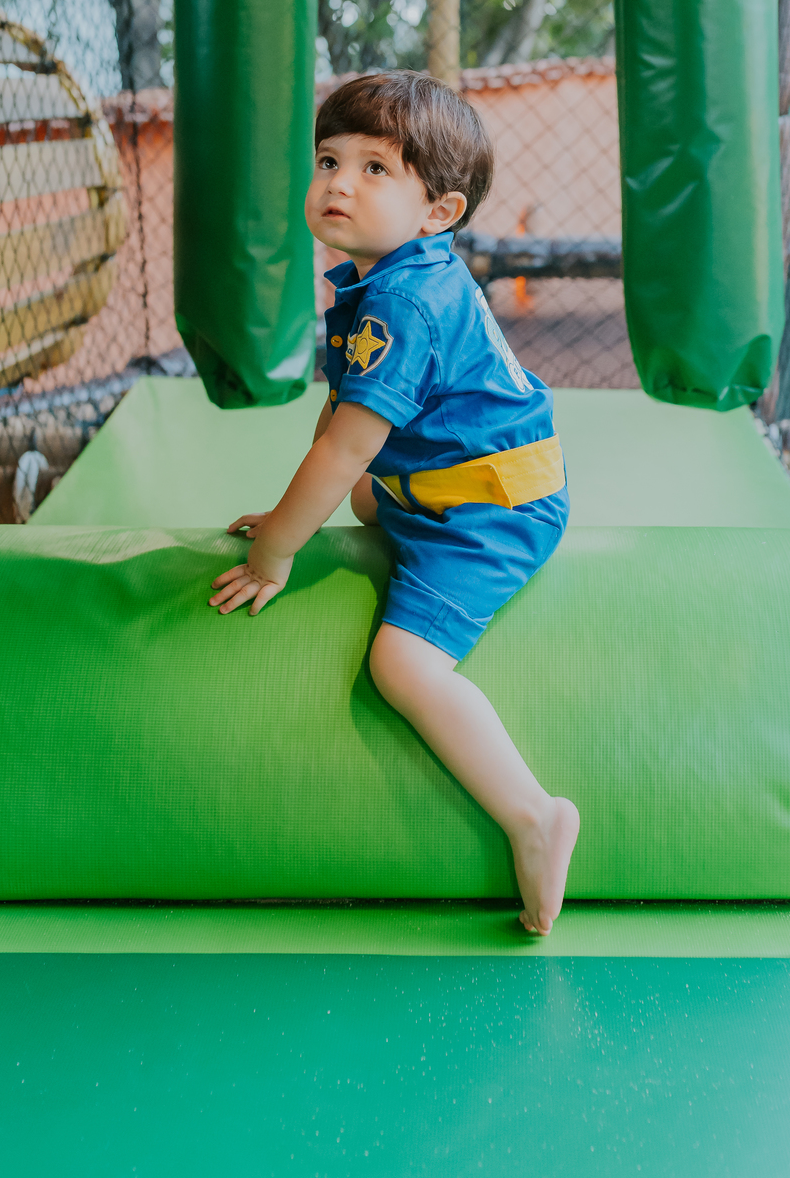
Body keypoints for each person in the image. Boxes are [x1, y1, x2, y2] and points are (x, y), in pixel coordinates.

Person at [210, 70, 579, 935]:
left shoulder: (407, 299)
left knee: (402, 666)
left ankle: (533, 816)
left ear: (437, 213)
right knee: (366, 499)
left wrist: (275, 555)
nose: (339, 181)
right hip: (441, 480)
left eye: (376, 169)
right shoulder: (383, 278)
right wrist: (288, 510)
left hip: (491, 512)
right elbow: (339, 416)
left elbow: (347, 448)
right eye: (330, 160)